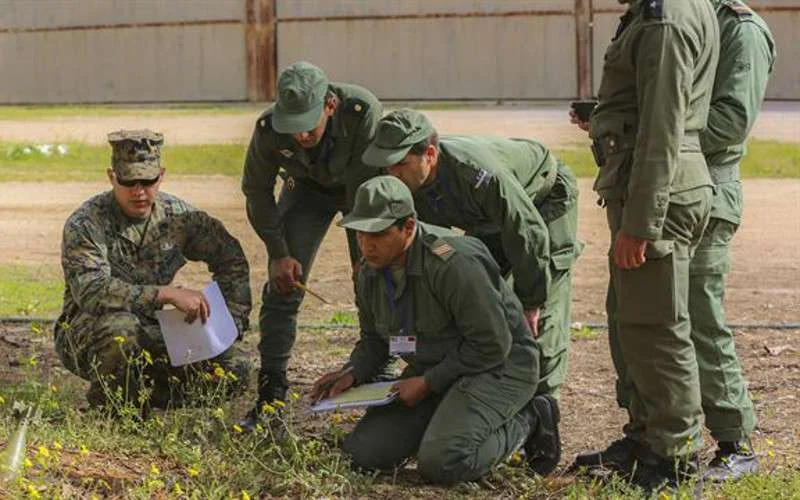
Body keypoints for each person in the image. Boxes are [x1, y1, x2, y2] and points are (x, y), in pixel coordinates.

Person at [571, 0, 776, 483]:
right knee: (634, 316)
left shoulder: (738, 28)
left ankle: (733, 438)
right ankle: (647, 433)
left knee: (694, 318)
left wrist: (654, 139)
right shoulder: (674, 14)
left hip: (699, 186)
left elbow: (728, 122)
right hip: (663, 178)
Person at [311, 176, 561, 484]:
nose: (366, 245)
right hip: (437, 368)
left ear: (409, 227)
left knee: (445, 462)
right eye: (360, 233)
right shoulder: (369, 271)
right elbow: (375, 340)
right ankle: (445, 423)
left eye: (378, 234)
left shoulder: (453, 263)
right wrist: (352, 373)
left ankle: (532, 416)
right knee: (363, 454)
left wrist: (429, 383)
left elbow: (493, 344)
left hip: (499, 366)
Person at [361, 108, 580, 400]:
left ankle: (543, 404)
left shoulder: (477, 174)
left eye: (400, 163)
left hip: (542, 199)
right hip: (488, 219)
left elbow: (526, 230)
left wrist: (531, 301)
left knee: (542, 311)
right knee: (481, 291)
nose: (393, 174)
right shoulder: (407, 182)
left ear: (430, 154)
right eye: (387, 166)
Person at [55, 130, 252, 409]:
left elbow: (230, 258)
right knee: (121, 331)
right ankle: (119, 413)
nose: (139, 191)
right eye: (128, 181)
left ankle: (146, 396)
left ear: (161, 176)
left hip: (152, 329)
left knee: (235, 366)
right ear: (112, 177)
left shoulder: (179, 217)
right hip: (88, 331)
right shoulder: (86, 223)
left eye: (147, 181)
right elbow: (92, 291)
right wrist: (165, 294)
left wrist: (231, 320)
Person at [240, 61, 383, 412]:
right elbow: (256, 191)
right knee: (284, 282)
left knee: (374, 276)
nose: (301, 136)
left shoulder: (361, 111)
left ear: (330, 106)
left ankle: (379, 364)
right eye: (293, 128)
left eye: (308, 126)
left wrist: (364, 251)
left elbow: (364, 188)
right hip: (306, 191)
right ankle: (272, 386)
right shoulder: (269, 128)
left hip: (360, 191)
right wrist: (278, 252)